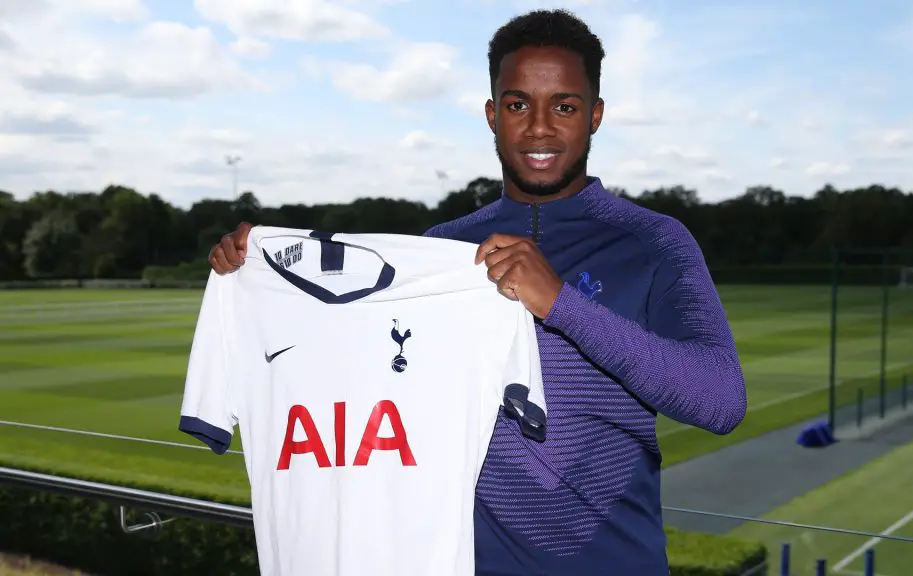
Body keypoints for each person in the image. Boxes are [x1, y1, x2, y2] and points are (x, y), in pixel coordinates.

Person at [207, 8, 746, 575]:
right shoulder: (443, 249)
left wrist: (561, 304)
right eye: (518, 105)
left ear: (595, 116)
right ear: (492, 115)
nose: (539, 127)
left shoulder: (654, 242)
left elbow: (720, 400)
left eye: (564, 105)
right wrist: (260, 269)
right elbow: (350, 358)